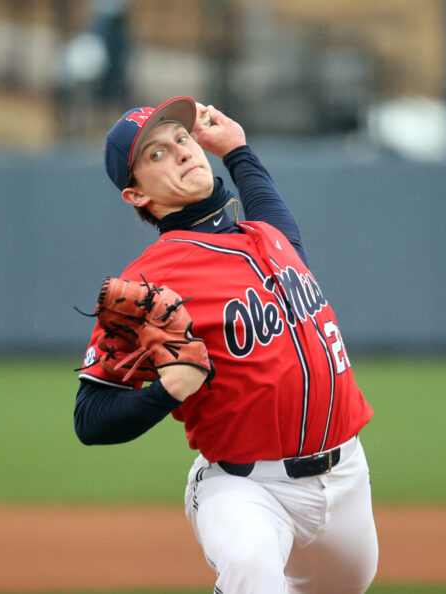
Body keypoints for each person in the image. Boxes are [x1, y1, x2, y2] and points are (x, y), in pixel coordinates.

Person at [74, 96, 378, 593]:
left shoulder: (268, 237)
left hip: (346, 477)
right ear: (136, 196)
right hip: (245, 486)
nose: (180, 151)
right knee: (251, 572)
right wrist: (167, 392)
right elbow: (90, 418)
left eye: (181, 138)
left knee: (347, 585)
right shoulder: (149, 281)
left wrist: (237, 150)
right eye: (155, 154)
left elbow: (266, 203)